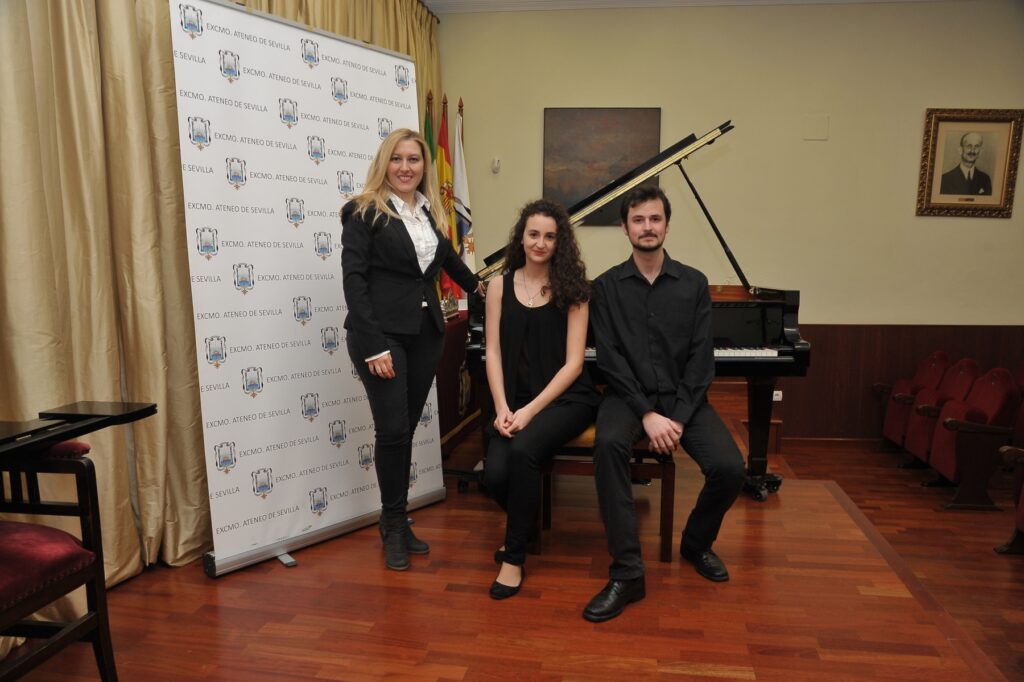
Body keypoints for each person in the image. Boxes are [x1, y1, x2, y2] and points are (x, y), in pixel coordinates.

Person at [582, 185, 746, 623]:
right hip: (627, 398)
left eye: (655, 219)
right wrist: (646, 413)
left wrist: (676, 417)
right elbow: (611, 360)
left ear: (666, 225)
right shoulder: (607, 287)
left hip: (683, 399)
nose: (647, 227)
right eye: (638, 220)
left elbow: (700, 359)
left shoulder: (692, 283)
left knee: (731, 468)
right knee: (609, 447)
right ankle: (628, 573)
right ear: (625, 227)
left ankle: (695, 543)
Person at [341, 127, 483, 571]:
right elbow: (354, 283)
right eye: (398, 159)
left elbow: (452, 266)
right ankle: (395, 524)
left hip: (426, 334)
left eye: (414, 160)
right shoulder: (363, 212)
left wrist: (489, 288)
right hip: (382, 338)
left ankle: (395, 521)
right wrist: (372, 345)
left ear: (424, 167)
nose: (406, 167)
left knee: (404, 429)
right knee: (393, 430)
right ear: (386, 163)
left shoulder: (428, 214)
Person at [481, 199, 599, 600]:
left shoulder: (575, 290)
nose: (541, 243)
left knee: (523, 452)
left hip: (565, 401)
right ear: (522, 237)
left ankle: (513, 559)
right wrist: (502, 407)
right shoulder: (499, 285)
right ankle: (525, 521)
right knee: (493, 475)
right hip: (512, 400)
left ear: (560, 241)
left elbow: (573, 366)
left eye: (550, 236)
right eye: (534, 234)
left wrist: (529, 412)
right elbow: (493, 352)